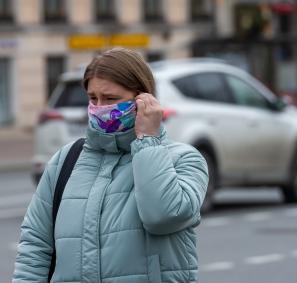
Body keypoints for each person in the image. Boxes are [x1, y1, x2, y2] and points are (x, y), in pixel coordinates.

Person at [13, 47, 209, 283]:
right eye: (93, 98)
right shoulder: (66, 160)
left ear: (143, 99)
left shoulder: (183, 160)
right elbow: (35, 245)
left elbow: (162, 216)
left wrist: (148, 141)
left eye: (111, 99)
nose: (100, 107)